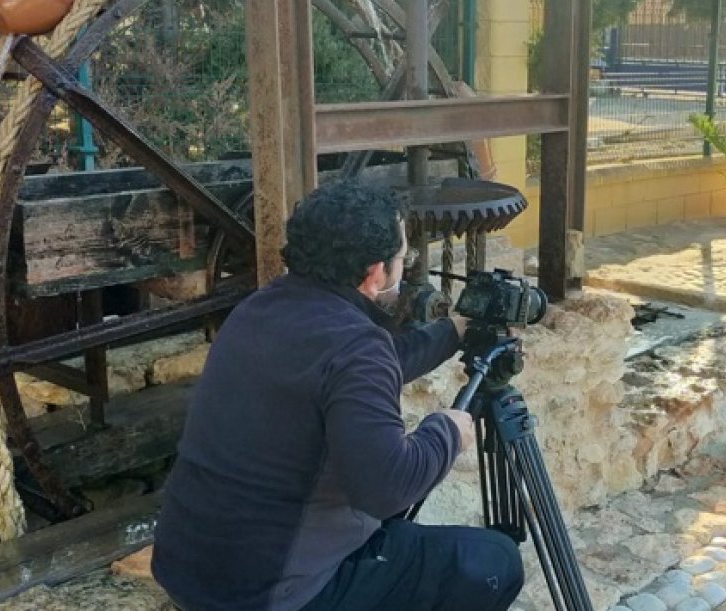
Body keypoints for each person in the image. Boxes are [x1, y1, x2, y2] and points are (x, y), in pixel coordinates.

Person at [151, 179, 524, 611]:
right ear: (374, 273)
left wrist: (454, 332)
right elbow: (388, 488)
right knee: (495, 560)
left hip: (188, 570)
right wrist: (449, 430)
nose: (406, 268)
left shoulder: (259, 309)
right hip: (266, 594)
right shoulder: (356, 348)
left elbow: (365, 367)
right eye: (403, 258)